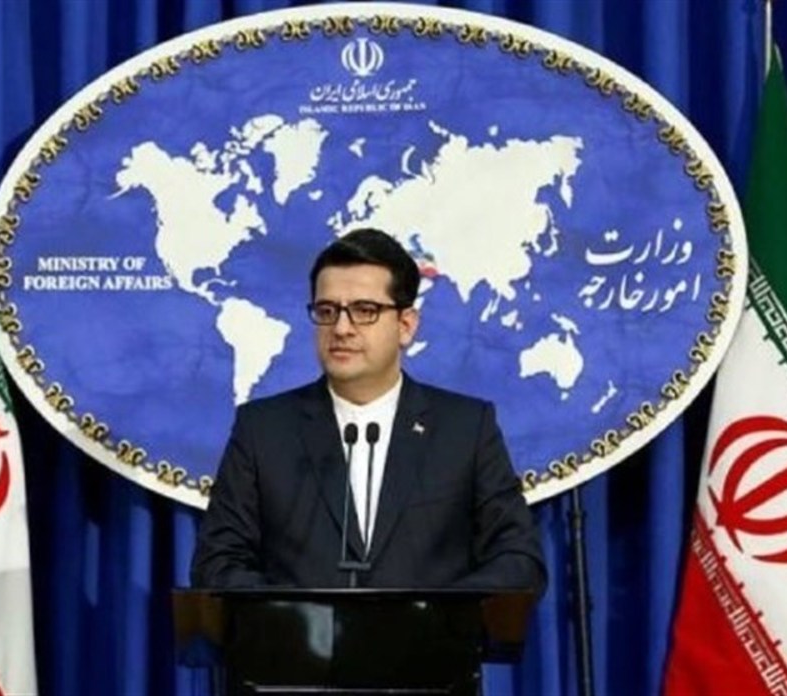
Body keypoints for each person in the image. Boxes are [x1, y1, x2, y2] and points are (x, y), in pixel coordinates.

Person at [192, 228, 546, 593]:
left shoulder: (465, 429)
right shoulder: (263, 429)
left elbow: (518, 559)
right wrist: (301, 615)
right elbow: (218, 563)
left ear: (405, 326)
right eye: (327, 311)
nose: (341, 328)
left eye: (364, 311)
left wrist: (434, 614)